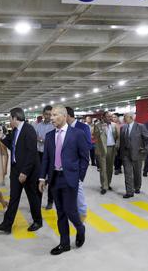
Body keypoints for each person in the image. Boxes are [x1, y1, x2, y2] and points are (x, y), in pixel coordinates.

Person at [39, 105, 89, 255]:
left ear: (64, 116)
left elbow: (84, 158)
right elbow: (46, 159)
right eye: (50, 115)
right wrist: (42, 178)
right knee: (60, 212)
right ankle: (64, 243)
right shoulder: (49, 136)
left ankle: (80, 229)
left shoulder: (77, 134)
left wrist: (79, 176)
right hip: (54, 178)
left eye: (54, 115)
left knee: (70, 211)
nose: (51, 118)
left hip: (70, 178)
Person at [0, 107, 43, 234]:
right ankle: (7, 225)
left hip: (28, 171)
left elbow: (32, 153)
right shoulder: (15, 131)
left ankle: (38, 221)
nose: (9, 120)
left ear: (15, 118)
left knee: (33, 197)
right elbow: (12, 145)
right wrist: (1, 137)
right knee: (14, 197)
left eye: (10, 118)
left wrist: (24, 172)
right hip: (15, 169)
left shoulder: (28, 130)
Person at [65, 107, 92, 221]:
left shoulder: (83, 127)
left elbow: (87, 146)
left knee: (78, 191)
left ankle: (82, 214)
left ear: (68, 116)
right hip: (67, 166)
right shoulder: (64, 128)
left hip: (77, 166)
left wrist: (82, 173)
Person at [119, 112, 148, 198]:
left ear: (131, 118)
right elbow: (122, 142)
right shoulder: (123, 128)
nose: (124, 119)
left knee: (137, 172)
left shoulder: (140, 127)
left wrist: (146, 149)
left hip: (137, 154)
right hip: (126, 154)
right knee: (128, 173)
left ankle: (137, 187)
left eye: (125, 117)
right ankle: (129, 192)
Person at [92, 111, 120, 195]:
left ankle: (108, 184)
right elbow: (95, 136)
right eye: (108, 116)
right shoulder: (98, 125)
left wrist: (117, 145)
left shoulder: (114, 125)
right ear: (103, 117)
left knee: (110, 168)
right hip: (102, 149)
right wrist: (101, 129)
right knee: (103, 168)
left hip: (112, 148)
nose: (110, 118)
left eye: (110, 116)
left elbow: (117, 137)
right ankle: (104, 186)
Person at [35, 105, 55, 210]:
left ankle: (50, 201)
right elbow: (34, 138)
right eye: (46, 114)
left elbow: (55, 141)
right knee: (40, 178)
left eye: (50, 114)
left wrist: (42, 140)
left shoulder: (54, 126)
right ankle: (38, 201)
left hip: (51, 155)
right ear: (43, 114)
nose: (48, 116)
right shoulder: (38, 126)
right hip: (39, 154)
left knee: (51, 179)